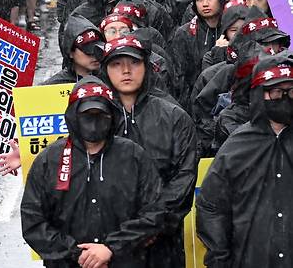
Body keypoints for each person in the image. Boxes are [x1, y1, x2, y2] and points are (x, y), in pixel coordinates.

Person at [21, 76, 164, 268]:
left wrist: (112, 248)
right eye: (87, 115)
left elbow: (154, 213)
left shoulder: (133, 155)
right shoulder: (49, 160)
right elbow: (33, 220)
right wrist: (77, 254)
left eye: (101, 114)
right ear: (73, 116)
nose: (94, 122)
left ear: (112, 115)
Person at [100, 35, 197, 267]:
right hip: (107, 242)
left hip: (162, 244)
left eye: (133, 62)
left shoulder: (174, 116)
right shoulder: (94, 115)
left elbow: (182, 182)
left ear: (146, 65)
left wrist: (148, 226)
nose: (126, 71)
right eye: (116, 64)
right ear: (105, 69)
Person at [197, 50, 293, 267]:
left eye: (291, 91)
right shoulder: (237, 147)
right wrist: (220, 257)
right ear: (259, 94)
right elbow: (211, 206)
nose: (284, 98)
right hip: (250, 258)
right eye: (276, 92)